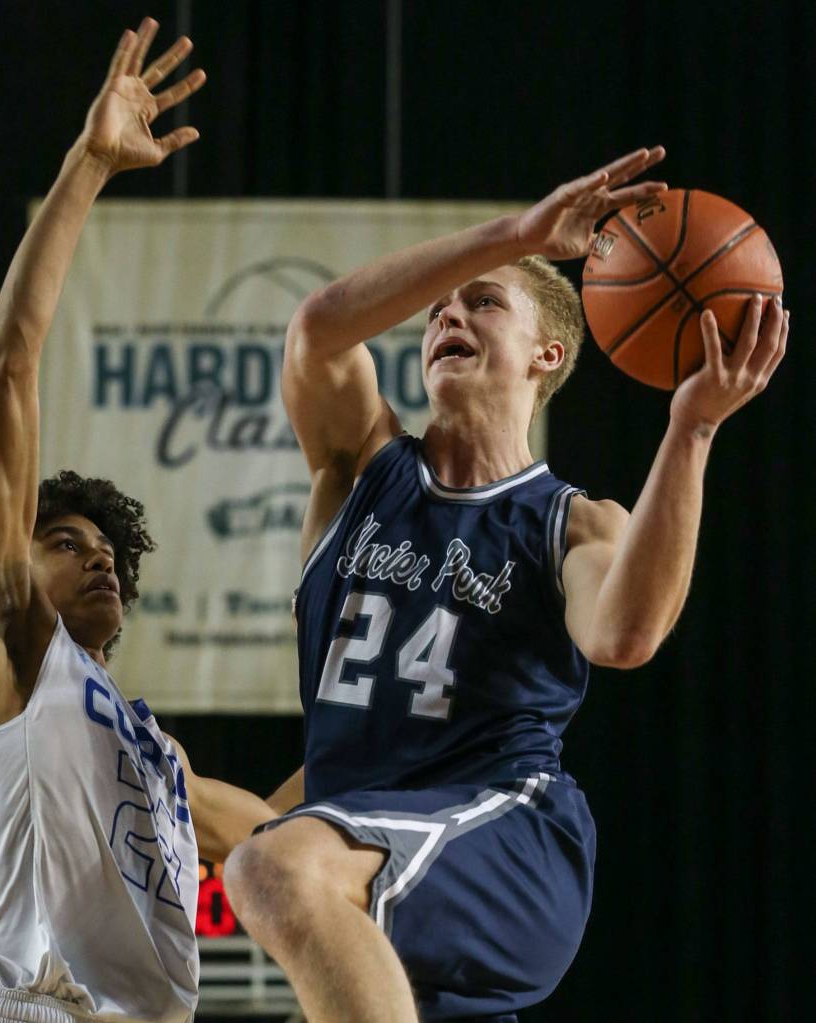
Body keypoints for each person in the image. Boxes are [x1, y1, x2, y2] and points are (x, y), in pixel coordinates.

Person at [222, 148, 789, 1021]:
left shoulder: (572, 521)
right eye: (440, 307)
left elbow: (623, 635)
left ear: (546, 352)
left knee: (267, 868)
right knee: (279, 870)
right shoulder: (359, 469)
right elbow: (317, 330)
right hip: (372, 862)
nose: (449, 312)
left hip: (509, 840)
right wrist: (518, 234)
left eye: (484, 301)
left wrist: (693, 429)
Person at [0, 19, 272, 1023]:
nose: (97, 560)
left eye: (107, 551)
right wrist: (89, 166)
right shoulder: (1, 640)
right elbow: (6, 366)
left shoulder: (150, 752)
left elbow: (279, 830)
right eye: (63, 541)